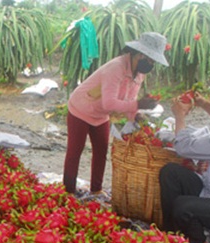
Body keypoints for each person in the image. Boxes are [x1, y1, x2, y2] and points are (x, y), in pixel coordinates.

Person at [63, 32, 169, 195]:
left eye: (152, 61)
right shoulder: (116, 68)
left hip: (100, 114)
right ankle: (68, 191)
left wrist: (136, 116)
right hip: (81, 109)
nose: (150, 64)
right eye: (148, 59)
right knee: (75, 151)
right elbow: (110, 103)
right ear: (138, 54)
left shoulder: (138, 74)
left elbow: (130, 99)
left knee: (101, 150)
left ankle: (96, 190)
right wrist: (138, 104)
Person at [159, 75, 210, 243]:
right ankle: (171, 233)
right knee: (171, 173)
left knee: (182, 206)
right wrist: (202, 103)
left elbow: (183, 147)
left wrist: (179, 116)